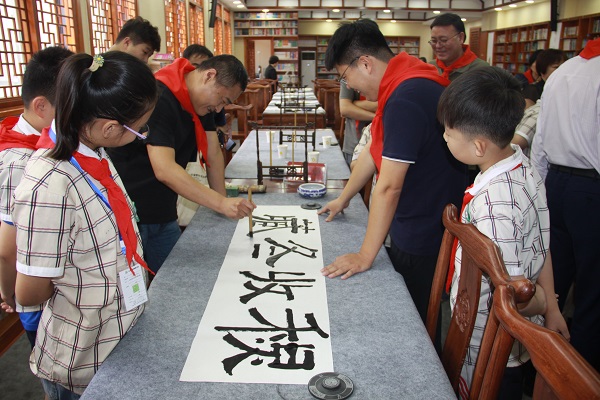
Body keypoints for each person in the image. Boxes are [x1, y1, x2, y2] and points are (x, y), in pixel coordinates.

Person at [13, 51, 158, 398]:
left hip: (118, 333)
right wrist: (80, 285)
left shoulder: (96, 156)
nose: (142, 134)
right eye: (140, 129)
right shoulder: (49, 183)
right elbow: (30, 291)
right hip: (82, 354)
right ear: (110, 128)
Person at [317, 20, 468, 327]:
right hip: (422, 215)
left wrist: (364, 255)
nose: (351, 87)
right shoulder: (406, 80)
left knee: (413, 323)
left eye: (346, 77)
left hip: (423, 227)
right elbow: (375, 149)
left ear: (365, 63)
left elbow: (389, 187)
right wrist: (344, 198)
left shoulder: (405, 97)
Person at [438, 66, 569, 399]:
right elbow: (541, 244)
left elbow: (511, 297)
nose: (444, 137)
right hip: (491, 335)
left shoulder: (497, 206)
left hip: (488, 345)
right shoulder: (521, 164)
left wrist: (545, 303)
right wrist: (552, 308)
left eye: (449, 132)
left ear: (479, 146)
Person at [107, 55, 255, 274]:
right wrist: (221, 204)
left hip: (163, 207)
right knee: (135, 282)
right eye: (223, 100)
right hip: (132, 210)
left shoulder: (201, 103)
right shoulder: (160, 96)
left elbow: (213, 153)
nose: (219, 109)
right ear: (209, 76)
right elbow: (164, 170)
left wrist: (224, 204)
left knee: (175, 276)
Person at [532, 37, 600, 372]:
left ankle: (538, 364)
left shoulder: (562, 71)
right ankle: (580, 374)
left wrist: (539, 190)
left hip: (556, 184)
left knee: (552, 283)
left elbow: (540, 138)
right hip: (591, 188)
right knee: (592, 293)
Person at [0, 46, 73, 349]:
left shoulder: (51, 142)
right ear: (41, 106)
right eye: (71, 107)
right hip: (37, 290)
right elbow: (8, 248)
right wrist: (8, 292)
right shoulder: (19, 160)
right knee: (49, 356)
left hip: (55, 278)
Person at [429, 13, 488, 80]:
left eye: (444, 40)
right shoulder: (430, 67)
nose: (438, 46)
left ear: (460, 38)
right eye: (434, 41)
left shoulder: (481, 70)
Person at [339, 85, 376, 165]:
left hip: (378, 146)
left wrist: (355, 104)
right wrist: (377, 117)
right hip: (353, 144)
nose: (348, 85)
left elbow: (384, 103)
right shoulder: (347, 80)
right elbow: (345, 109)